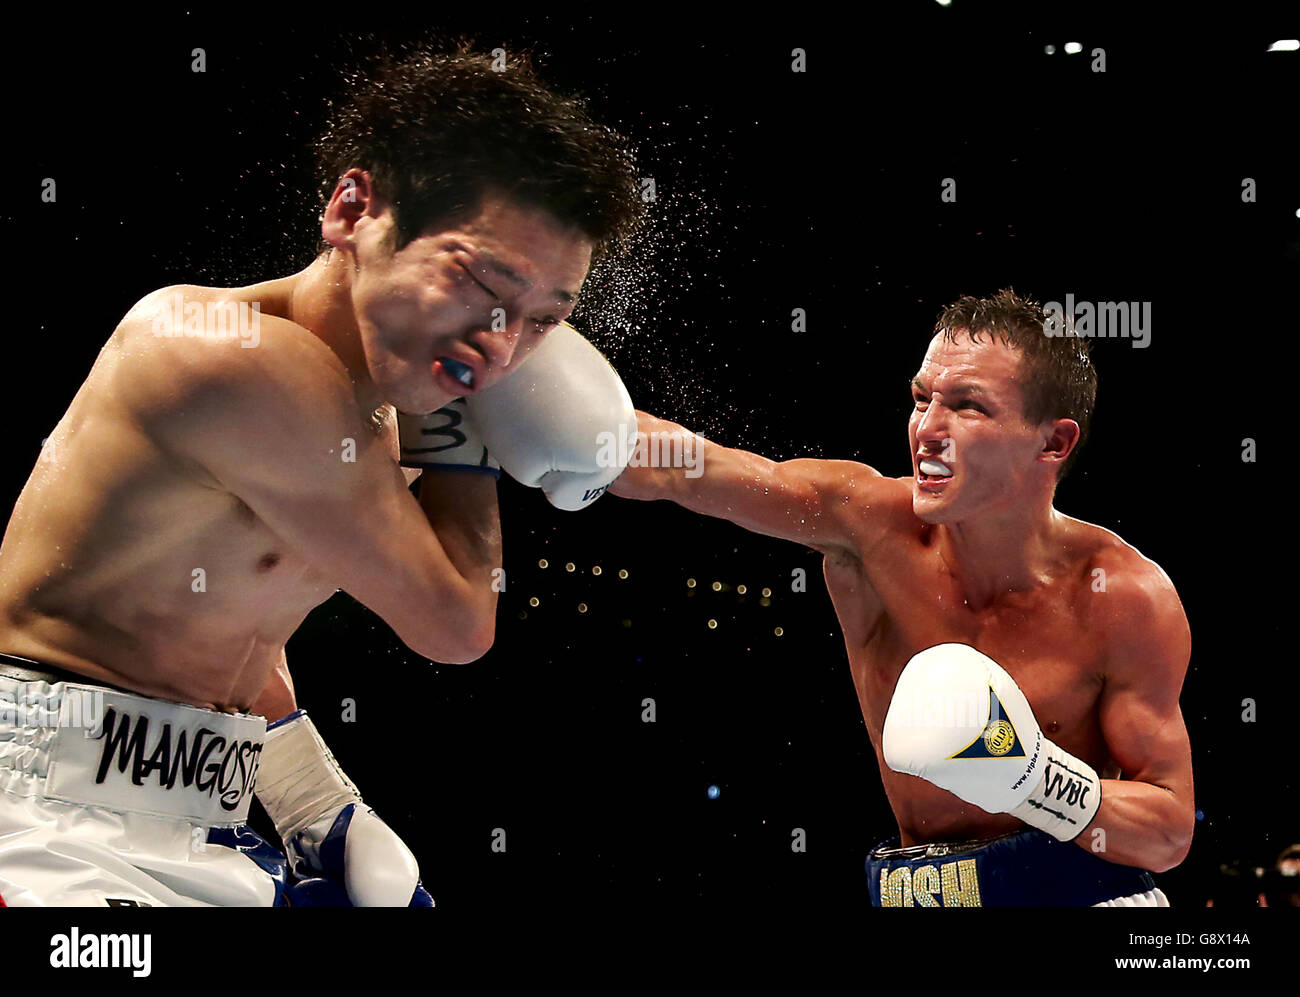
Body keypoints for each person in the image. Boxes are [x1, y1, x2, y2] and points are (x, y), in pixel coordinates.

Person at [0, 45, 640, 907]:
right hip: (41, 814)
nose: (499, 346)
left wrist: (317, 804)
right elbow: (457, 624)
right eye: (480, 280)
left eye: (543, 323)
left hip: (203, 818)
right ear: (352, 208)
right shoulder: (237, 362)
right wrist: (464, 437)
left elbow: (229, 620)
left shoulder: (379, 408)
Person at [610, 288, 1195, 906]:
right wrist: (544, 412)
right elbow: (687, 468)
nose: (928, 430)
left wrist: (1034, 779)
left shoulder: (1122, 597)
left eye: (968, 407)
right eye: (921, 400)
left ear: (1053, 443)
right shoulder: (866, 526)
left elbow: (1167, 832)